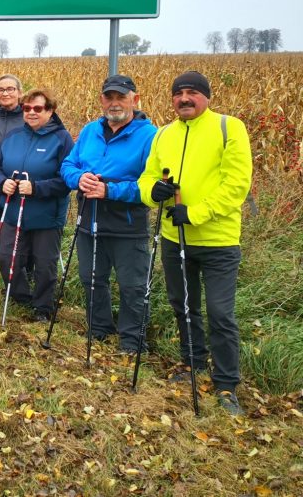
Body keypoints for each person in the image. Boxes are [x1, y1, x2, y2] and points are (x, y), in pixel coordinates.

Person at [137, 71, 252, 416]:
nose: (184, 99)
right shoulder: (164, 134)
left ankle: (227, 384)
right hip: (175, 238)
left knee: (220, 313)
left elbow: (237, 184)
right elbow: (147, 177)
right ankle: (193, 363)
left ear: (207, 97)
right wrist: (152, 193)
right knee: (183, 304)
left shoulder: (229, 128)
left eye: (192, 93)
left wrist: (197, 213)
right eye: (178, 93)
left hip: (218, 241)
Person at [61, 75, 157, 352]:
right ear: (102, 100)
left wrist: (110, 190)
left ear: (134, 100)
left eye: (121, 97)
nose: (115, 103)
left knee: (132, 286)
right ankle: (99, 329)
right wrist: (79, 179)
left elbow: (150, 186)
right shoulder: (91, 131)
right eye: (109, 97)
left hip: (127, 224)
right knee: (92, 279)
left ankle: (132, 340)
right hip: (89, 219)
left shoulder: (150, 136)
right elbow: (68, 164)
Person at [0, 90, 74, 321]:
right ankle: (19, 296)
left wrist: (37, 188)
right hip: (13, 211)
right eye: (27, 109)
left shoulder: (62, 139)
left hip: (46, 214)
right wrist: (1, 182)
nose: (31, 113)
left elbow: (67, 180)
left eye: (38, 109)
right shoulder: (14, 136)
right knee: (7, 258)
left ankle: (43, 307)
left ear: (50, 110)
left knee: (44, 263)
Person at [0, 74, 26, 234]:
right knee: (1, 234)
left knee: (22, 235)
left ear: (19, 92)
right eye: (1, 90)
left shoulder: (28, 116)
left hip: (21, 186)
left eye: (10, 89)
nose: (5, 93)